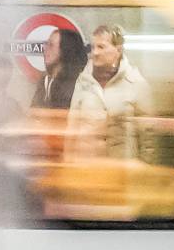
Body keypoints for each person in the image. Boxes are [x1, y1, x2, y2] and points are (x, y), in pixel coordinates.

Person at [66, 24, 154, 162]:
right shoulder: (83, 81)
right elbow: (72, 127)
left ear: (118, 50)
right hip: (88, 167)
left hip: (121, 168)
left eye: (101, 47)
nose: (95, 53)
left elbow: (148, 136)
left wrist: (145, 167)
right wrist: (68, 162)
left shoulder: (136, 83)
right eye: (93, 47)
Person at [31, 28, 87, 112]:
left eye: (51, 45)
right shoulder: (44, 82)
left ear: (65, 50)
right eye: (46, 44)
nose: (45, 49)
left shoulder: (74, 85)